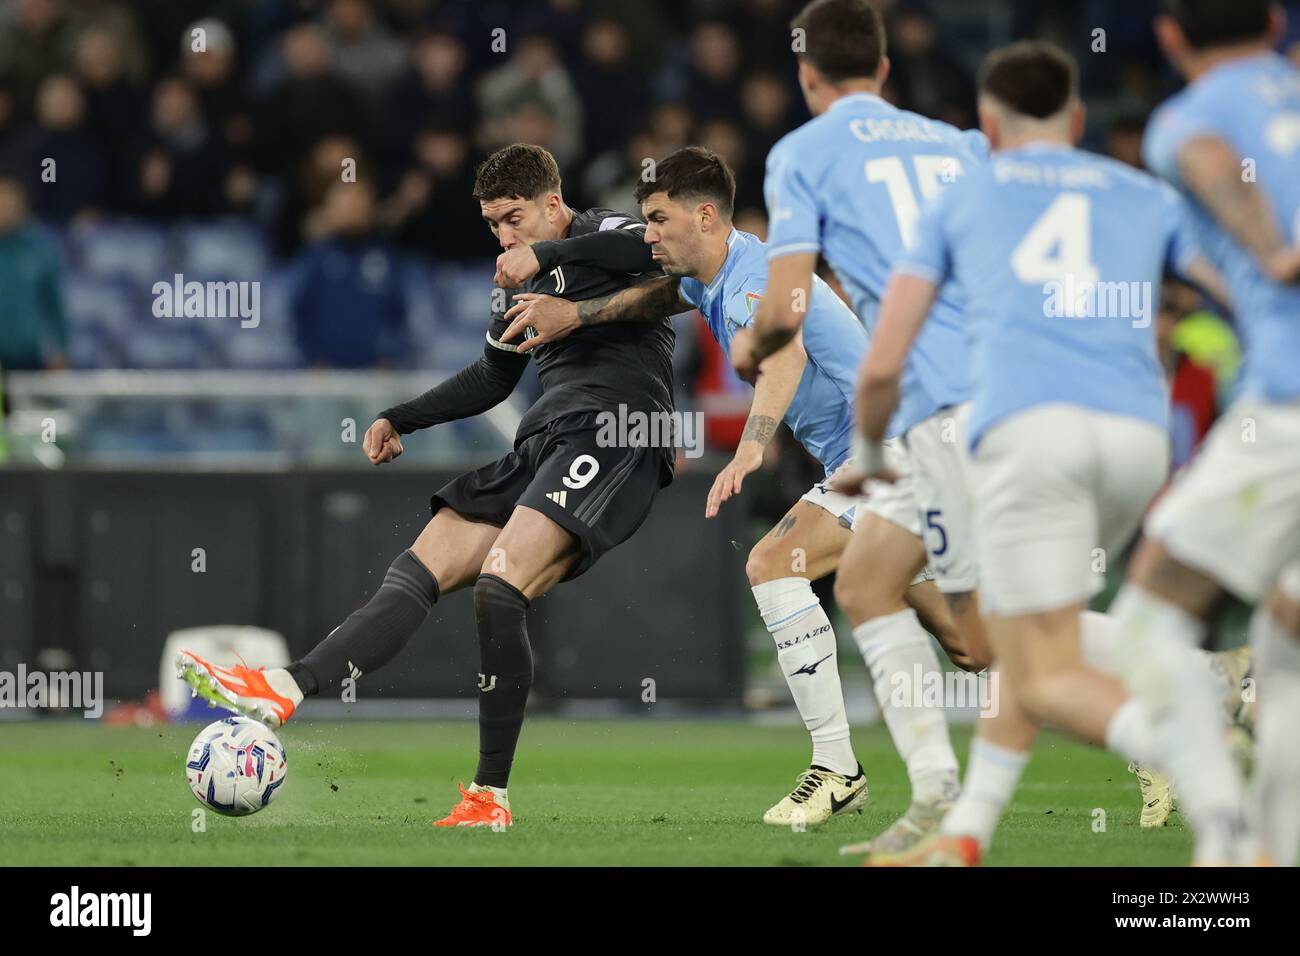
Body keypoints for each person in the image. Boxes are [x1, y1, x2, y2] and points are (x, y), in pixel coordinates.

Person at [179, 144, 678, 829]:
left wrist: (548, 257)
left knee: (502, 586)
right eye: (494, 226)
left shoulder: (602, 233)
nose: (505, 237)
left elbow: (661, 258)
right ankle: (285, 688)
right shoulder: (514, 283)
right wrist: (399, 415)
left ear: (552, 205)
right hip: (543, 438)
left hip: (613, 433)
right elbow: (492, 378)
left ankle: (488, 798)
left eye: (514, 219)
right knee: (416, 569)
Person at [497, 145, 977, 828]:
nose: (649, 234)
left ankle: (836, 768)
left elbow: (784, 359)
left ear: (704, 215)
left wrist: (750, 449)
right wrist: (578, 316)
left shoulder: (755, 281)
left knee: (775, 560)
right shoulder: (718, 271)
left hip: (893, 456)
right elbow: (664, 296)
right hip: (902, 454)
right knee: (972, 641)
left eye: (658, 219)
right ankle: (1144, 716)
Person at [853, 40, 1247, 867]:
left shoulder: (966, 194)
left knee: (1030, 664)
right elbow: (1236, 284)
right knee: (1027, 639)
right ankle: (969, 832)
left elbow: (887, 356)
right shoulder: (1142, 190)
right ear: (1075, 120)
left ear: (988, 126)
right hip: (1141, 443)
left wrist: (868, 444)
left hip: (1032, 437)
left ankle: (1205, 764)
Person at [733, 0, 991, 853]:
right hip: (997, 394)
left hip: (933, 406)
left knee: (994, 624)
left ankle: (1198, 689)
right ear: (883, 69)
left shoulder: (803, 152)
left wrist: (756, 346)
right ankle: (933, 800)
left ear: (808, 77)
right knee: (916, 609)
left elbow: (791, 301)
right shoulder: (957, 143)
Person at [1119, 0, 1300, 865]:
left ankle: (1222, 833)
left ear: (1170, 35)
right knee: (1285, 634)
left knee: (1150, 620)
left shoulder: (1185, 121)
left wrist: (1270, 250)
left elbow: (1213, 163)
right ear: (1274, 22)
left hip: (1289, 406)